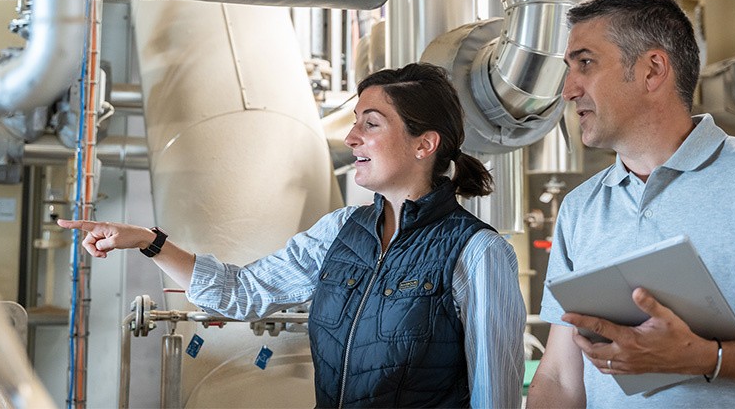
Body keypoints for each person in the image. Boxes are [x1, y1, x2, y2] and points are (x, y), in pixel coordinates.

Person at [60, 62, 527, 408]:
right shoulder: (340, 231)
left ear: (425, 144)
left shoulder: (477, 253)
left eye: (371, 123)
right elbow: (240, 293)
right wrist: (148, 240)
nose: (351, 136)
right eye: (355, 120)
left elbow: (496, 398)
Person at [526, 0, 735, 408]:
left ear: (653, 70)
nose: (568, 90)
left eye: (585, 63)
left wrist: (708, 358)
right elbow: (562, 377)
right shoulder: (580, 208)